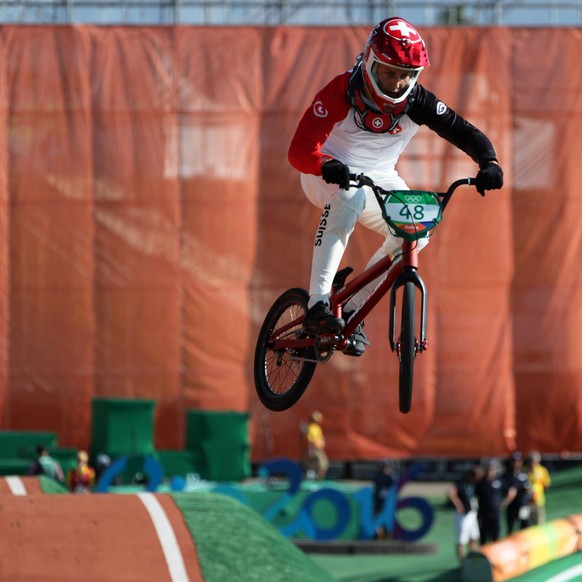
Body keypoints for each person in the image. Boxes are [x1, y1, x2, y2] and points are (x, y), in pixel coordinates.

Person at [288, 17, 503, 355]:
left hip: (380, 175)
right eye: (389, 72)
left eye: (406, 74)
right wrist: (324, 165)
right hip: (327, 171)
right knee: (348, 196)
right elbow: (298, 151)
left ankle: (354, 309)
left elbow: (464, 131)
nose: (397, 82)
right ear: (370, 62)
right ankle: (317, 305)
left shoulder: (418, 101)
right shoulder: (342, 89)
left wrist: (488, 162)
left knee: (418, 230)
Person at [475, 459, 515, 545]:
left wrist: (505, 503)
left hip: (495, 514)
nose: (490, 472)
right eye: (488, 469)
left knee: (495, 537)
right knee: (483, 537)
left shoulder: (499, 481)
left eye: (492, 469)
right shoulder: (480, 482)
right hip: (483, 514)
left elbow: (512, 491)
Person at [448, 465, 482, 561]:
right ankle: (462, 561)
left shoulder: (472, 484)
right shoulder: (461, 482)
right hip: (463, 516)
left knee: (474, 537)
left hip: (472, 513)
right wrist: (458, 505)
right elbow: (451, 493)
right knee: (461, 540)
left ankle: (474, 559)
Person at [502, 451, 533, 534]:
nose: (517, 463)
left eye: (519, 461)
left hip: (523, 504)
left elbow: (529, 488)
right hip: (512, 506)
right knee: (511, 527)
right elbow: (509, 490)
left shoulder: (523, 474)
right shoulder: (507, 475)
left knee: (525, 524)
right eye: (515, 461)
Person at [525, 450, 551, 525]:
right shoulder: (525, 471)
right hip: (527, 502)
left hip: (538, 501)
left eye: (534, 461)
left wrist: (538, 492)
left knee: (539, 522)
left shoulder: (542, 470)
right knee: (527, 522)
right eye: (531, 461)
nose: (532, 463)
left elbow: (546, 484)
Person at [373, 460, 396, 539]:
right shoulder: (378, 475)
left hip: (387, 501)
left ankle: (389, 534)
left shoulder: (391, 476)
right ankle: (378, 534)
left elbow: (395, 485)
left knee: (388, 518)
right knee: (378, 518)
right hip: (379, 501)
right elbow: (376, 486)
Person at [304, 411, 329, 480]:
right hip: (315, 449)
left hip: (318, 449)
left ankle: (316, 478)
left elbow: (320, 438)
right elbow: (310, 439)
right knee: (323, 464)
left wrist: (322, 444)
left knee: (313, 464)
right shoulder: (311, 428)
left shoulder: (317, 428)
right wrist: (317, 446)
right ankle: (318, 478)